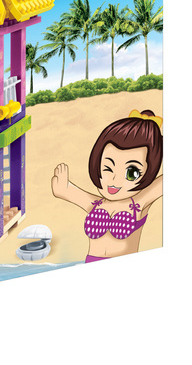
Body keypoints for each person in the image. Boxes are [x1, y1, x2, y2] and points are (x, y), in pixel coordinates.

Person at [51, 110, 163, 262]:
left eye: (131, 173)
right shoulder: (96, 203)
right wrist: (62, 186)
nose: (115, 180)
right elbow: (63, 191)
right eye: (108, 168)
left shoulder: (140, 201)